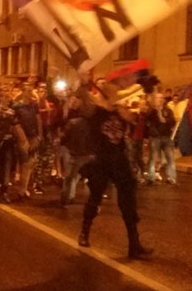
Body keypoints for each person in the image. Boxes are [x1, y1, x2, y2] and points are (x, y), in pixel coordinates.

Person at [76, 75, 153, 259]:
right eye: (112, 91)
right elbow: (85, 105)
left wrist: (147, 94)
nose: (117, 94)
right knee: (95, 198)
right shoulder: (95, 111)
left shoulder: (120, 111)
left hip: (119, 159)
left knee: (128, 202)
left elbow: (135, 119)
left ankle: (134, 245)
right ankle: (84, 233)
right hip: (101, 160)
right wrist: (83, 84)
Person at [0, 85, 28, 203]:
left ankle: (4, 192)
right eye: (6, 97)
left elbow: (17, 127)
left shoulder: (12, 112)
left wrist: (24, 140)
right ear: (0, 98)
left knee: (7, 169)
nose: (8, 99)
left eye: (9, 97)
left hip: (8, 143)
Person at [145, 92, 177, 185]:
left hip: (166, 137)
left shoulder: (168, 111)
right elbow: (146, 121)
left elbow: (172, 121)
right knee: (153, 158)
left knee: (170, 158)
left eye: (161, 98)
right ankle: (151, 177)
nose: (159, 100)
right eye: (157, 98)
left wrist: (163, 117)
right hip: (155, 138)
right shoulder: (151, 111)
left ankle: (171, 177)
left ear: (163, 100)